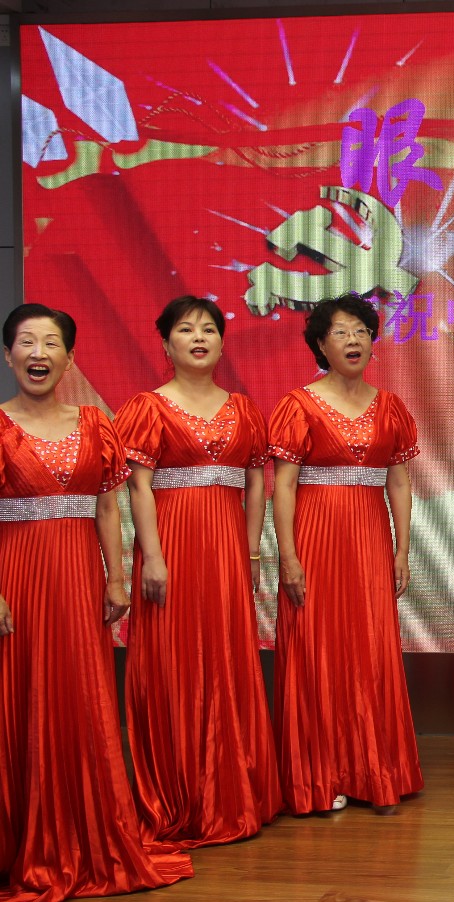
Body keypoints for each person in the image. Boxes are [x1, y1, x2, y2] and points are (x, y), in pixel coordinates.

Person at [0, 303, 193, 902]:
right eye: (26, 342)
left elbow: (108, 506)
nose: (38, 352)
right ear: (8, 355)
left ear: (69, 357)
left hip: (80, 577)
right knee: (22, 699)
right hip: (17, 579)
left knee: (82, 697)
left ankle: (89, 832)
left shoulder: (94, 424)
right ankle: (27, 841)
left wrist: (116, 579)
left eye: (51, 342)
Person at [117, 296, 281, 846]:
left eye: (209, 329)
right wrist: (153, 556)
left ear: (221, 344)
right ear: (166, 344)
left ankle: (231, 789)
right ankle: (177, 793)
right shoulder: (147, 408)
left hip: (227, 550)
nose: (199, 338)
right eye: (186, 330)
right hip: (171, 548)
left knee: (227, 661)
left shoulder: (244, 410)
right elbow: (138, 487)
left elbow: (256, 482)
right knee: (173, 662)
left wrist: (251, 553)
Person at [269, 294, 421, 815]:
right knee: (317, 646)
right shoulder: (298, 405)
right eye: (340, 332)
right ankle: (319, 774)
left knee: (369, 647)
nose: (353, 340)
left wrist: (402, 549)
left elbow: (399, 482)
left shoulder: (391, 406)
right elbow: (283, 486)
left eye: (361, 330)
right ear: (320, 344)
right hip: (316, 535)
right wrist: (288, 556)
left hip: (369, 536)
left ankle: (374, 769)